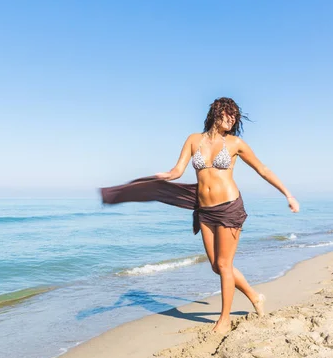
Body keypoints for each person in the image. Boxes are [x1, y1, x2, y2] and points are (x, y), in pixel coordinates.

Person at [101, 97, 299, 334]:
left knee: (225, 265)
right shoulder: (194, 140)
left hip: (229, 208)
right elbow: (178, 170)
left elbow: (263, 169)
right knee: (217, 266)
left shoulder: (236, 143)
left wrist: (288, 194)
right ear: (217, 113)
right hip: (204, 210)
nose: (232, 118)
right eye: (228, 113)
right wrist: (163, 177)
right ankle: (255, 297)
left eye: (235, 115)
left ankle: (224, 319)